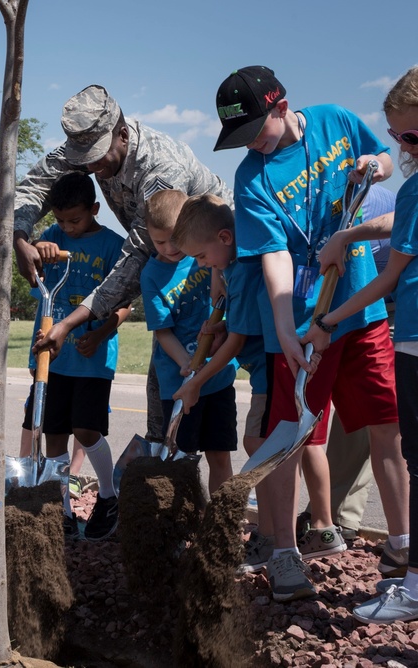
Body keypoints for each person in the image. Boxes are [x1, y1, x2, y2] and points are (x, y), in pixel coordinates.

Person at [215, 65, 408, 602]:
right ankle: (284, 553)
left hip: (361, 311)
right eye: (239, 137)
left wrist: (374, 166)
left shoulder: (335, 121)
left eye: (255, 130)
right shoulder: (251, 178)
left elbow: (386, 160)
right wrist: (285, 329)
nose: (249, 143)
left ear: (281, 107)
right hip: (303, 327)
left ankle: (401, 547)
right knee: (289, 439)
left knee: (386, 427)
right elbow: (274, 256)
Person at [18, 85, 233, 446]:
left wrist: (68, 324)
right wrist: (20, 238)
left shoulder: (161, 169)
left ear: (122, 134)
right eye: (84, 159)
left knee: (206, 381)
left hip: (217, 266)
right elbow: (34, 184)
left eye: (98, 157)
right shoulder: (89, 144)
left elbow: (134, 260)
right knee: (166, 385)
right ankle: (163, 459)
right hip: (168, 265)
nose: (91, 167)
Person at [304, 65, 418, 623]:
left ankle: (411, 579)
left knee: (410, 455)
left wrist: (328, 319)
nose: (402, 147)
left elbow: (389, 274)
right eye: (396, 136)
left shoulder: (410, 187)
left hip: (403, 335)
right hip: (402, 335)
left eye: (410, 135)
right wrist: (350, 232)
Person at [20, 172, 129, 541]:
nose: (67, 227)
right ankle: (62, 510)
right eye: (61, 220)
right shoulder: (52, 237)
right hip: (52, 359)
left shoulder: (114, 246)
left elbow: (124, 305)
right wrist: (37, 245)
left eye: (75, 220)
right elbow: (32, 273)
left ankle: (109, 497)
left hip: (92, 359)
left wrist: (99, 334)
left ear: (95, 209)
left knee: (86, 429)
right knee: (54, 434)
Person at [170, 193, 271, 569]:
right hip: (262, 369)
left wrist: (196, 382)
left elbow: (235, 344)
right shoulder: (233, 267)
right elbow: (236, 322)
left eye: (201, 256)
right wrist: (221, 323)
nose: (200, 264)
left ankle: (270, 536)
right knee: (259, 444)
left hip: (268, 371)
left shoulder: (241, 273)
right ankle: (271, 532)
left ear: (225, 238)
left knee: (257, 444)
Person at [301, 184, 396, 544]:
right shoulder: (312, 207)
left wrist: (327, 322)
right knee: (350, 413)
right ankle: (330, 512)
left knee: (376, 416)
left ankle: (341, 516)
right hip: (348, 305)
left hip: (388, 304)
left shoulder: (362, 210)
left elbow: (379, 283)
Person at [139, 190, 238, 492]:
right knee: (181, 457)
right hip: (179, 383)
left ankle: (219, 515)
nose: (170, 248)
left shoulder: (205, 257)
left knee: (220, 453)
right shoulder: (152, 275)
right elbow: (163, 331)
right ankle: (183, 516)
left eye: (175, 239)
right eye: (160, 242)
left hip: (218, 376)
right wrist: (186, 364)